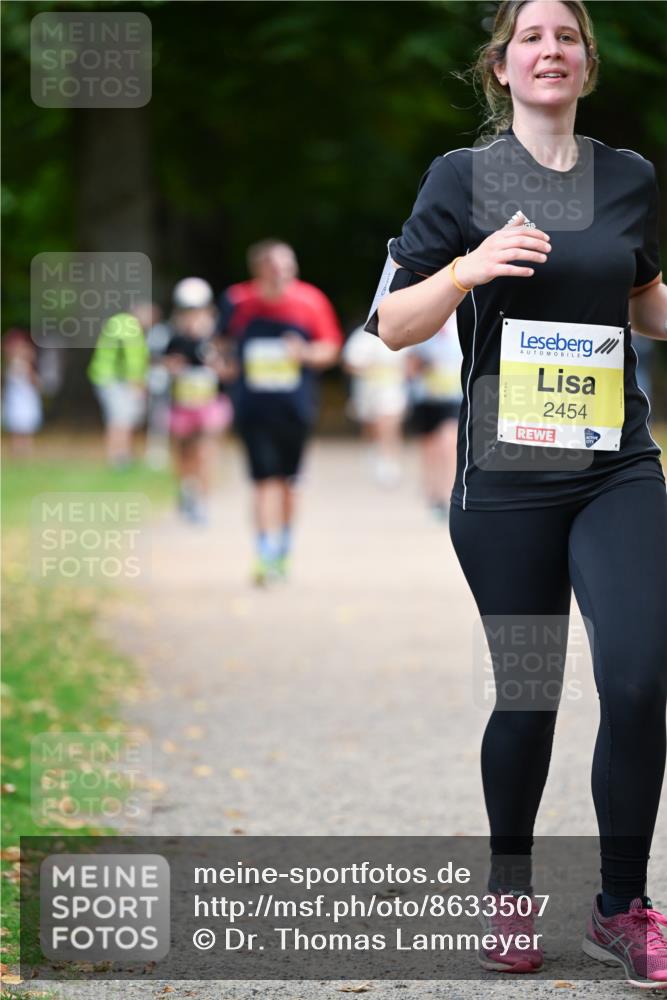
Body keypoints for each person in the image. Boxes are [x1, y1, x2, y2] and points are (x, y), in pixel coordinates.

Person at [368, 0, 667, 986]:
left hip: (615, 465)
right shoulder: (462, 178)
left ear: (587, 66)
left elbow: (641, 297)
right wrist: (465, 267)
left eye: (568, 37)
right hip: (506, 481)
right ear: (500, 67)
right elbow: (393, 324)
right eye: (531, 37)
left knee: (634, 676)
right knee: (530, 690)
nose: (551, 50)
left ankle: (622, 906)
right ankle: (507, 885)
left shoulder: (627, 179)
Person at [218, 239, 343, 585]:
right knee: (261, 482)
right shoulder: (237, 302)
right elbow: (220, 345)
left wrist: (303, 353)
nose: (282, 276)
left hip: (295, 409)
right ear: (257, 270)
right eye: (274, 269)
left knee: (289, 483)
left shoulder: (310, 301)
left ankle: (284, 547)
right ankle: (263, 552)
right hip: (252, 408)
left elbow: (330, 349)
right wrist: (223, 364)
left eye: (288, 268)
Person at [163, 277, 235, 525]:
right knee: (184, 453)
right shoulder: (173, 338)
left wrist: (215, 366)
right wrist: (172, 367)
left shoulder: (217, 339)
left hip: (210, 405)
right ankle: (187, 489)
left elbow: (230, 370)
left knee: (206, 452)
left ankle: (203, 501)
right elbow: (163, 364)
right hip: (182, 406)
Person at [405, 312, 463, 520]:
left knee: (448, 443)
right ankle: (433, 495)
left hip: (454, 396)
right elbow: (410, 366)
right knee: (430, 450)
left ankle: (449, 495)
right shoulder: (424, 322)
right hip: (426, 397)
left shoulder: (462, 325)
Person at [342, 323, 409, 488]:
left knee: (389, 422)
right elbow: (350, 362)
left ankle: (389, 461)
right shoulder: (363, 334)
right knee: (372, 424)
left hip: (392, 387)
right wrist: (369, 369)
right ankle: (374, 451)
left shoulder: (404, 329)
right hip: (369, 388)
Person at [87, 306, 150, 468]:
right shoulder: (130, 327)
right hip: (112, 380)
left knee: (119, 419)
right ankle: (118, 458)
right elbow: (133, 359)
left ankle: (122, 455)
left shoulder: (119, 321)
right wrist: (138, 384)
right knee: (120, 419)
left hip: (105, 377)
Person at [1, 329, 43, 456]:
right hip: (14, 400)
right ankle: (17, 452)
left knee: (26, 427)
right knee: (16, 428)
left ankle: (25, 452)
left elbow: (36, 383)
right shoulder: (9, 365)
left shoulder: (27, 365)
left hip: (26, 400)